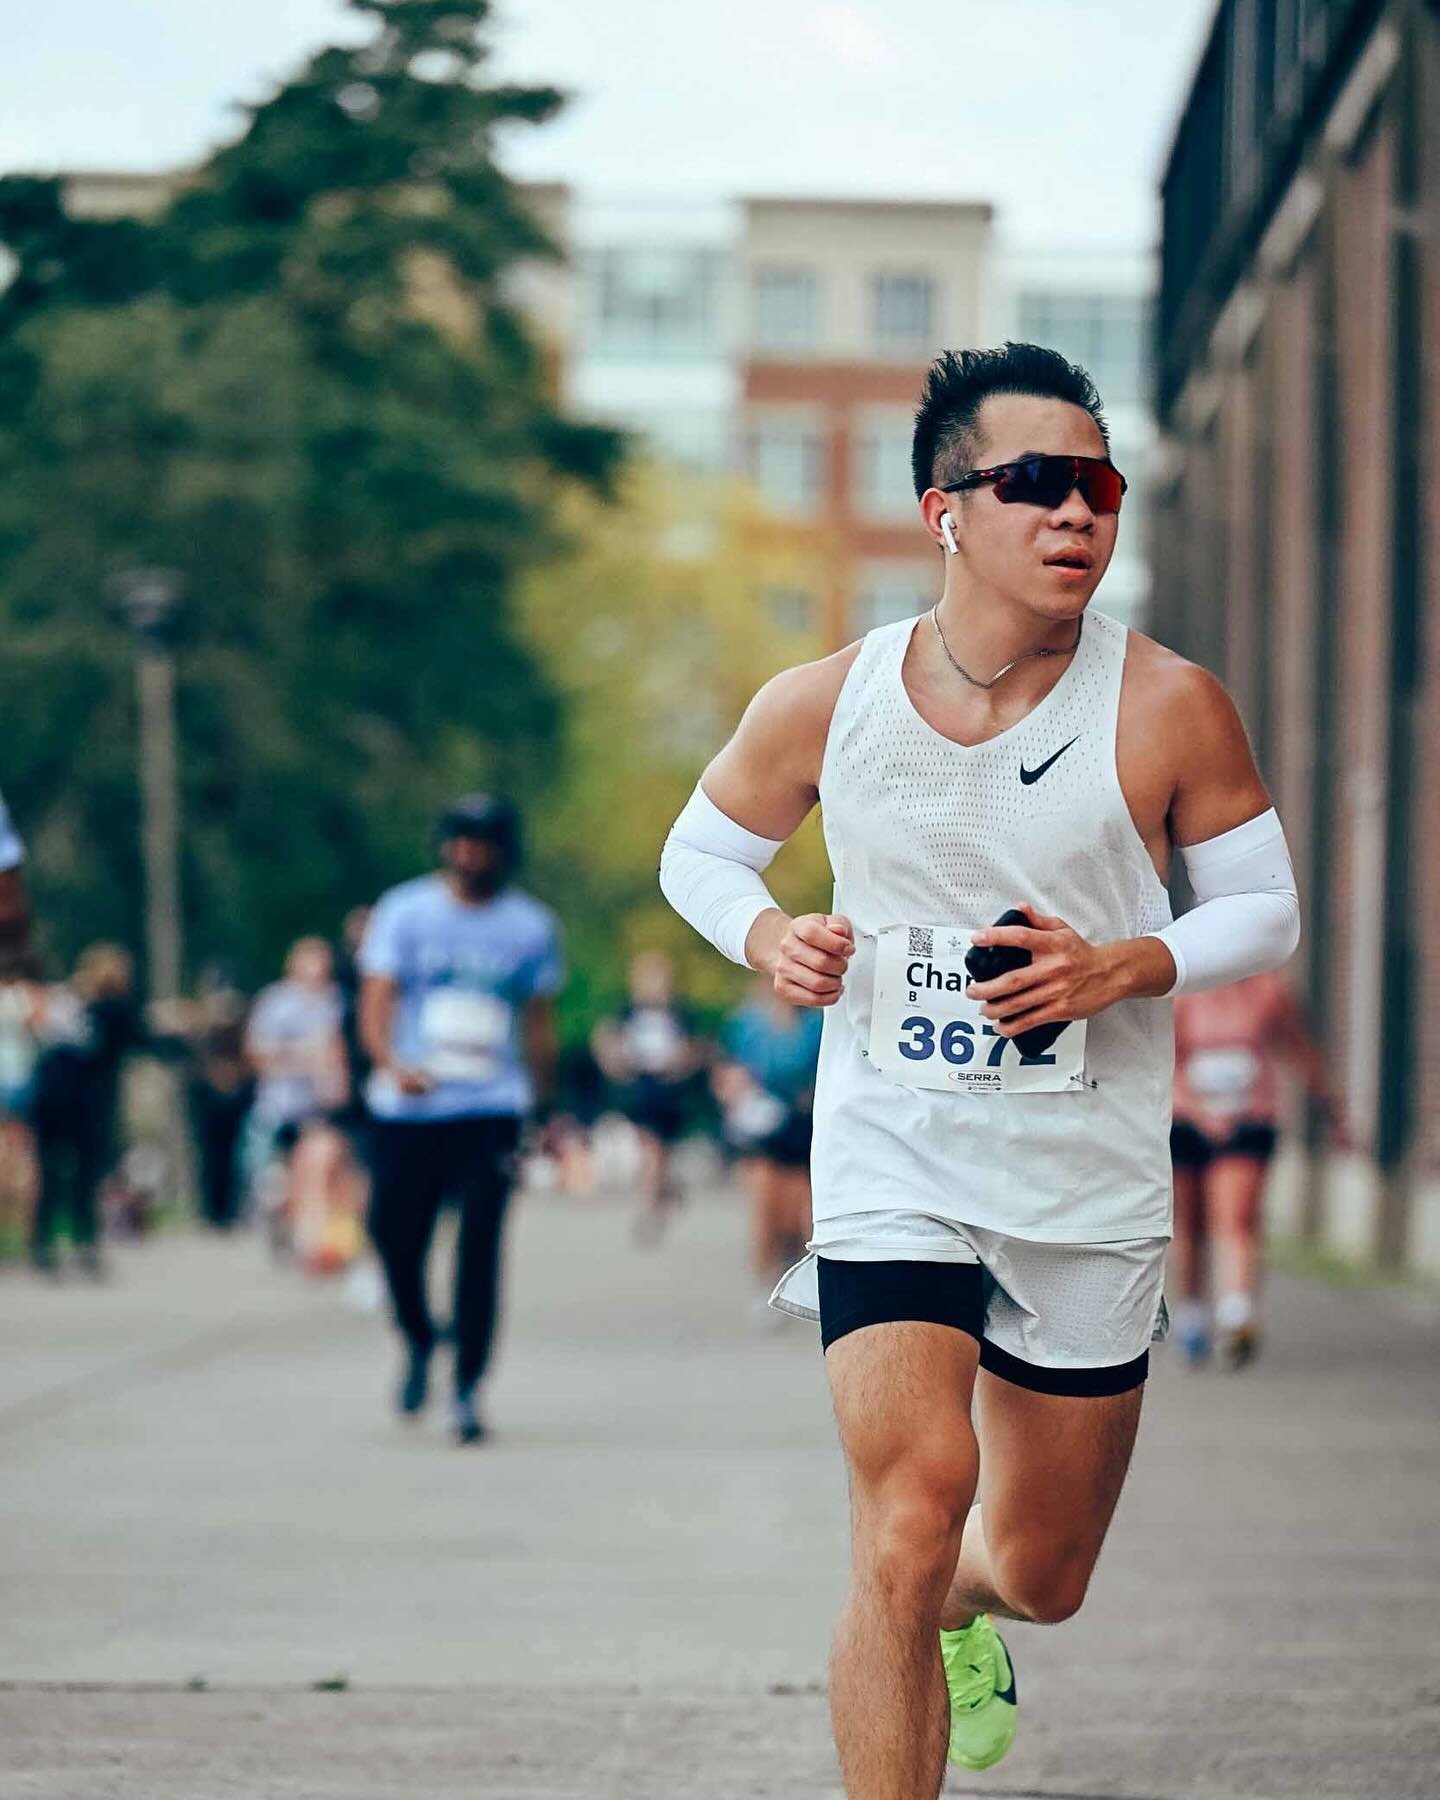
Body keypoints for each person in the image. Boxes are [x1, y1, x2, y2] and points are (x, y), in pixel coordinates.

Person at [660, 342, 1301, 1796]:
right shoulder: (829, 698)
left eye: (1100, 488)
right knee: (903, 1516)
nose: (1078, 516)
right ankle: (914, 1623)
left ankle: (966, 1610)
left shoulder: (1168, 705)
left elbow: (1268, 909)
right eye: (1037, 486)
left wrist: (1128, 964)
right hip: (897, 1156)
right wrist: (767, 935)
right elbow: (701, 852)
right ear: (946, 510)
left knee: (1036, 1565)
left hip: (1086, 1180)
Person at [359, 794, 562, 1445]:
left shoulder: (529, 926)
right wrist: (392, 1063)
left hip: (489, 1109)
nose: (471, 853)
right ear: (445, 845)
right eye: (461, 841)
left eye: (485, 842)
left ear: (504, 851)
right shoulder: (405, 911)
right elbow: (377, 1000)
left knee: (479, 1250)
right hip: (411, 1108)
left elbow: (537, 1020)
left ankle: (468, 1385)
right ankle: (419, 1336)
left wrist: (543, 1104)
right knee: (394, 1238)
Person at [1171, 971, 1346, 1368]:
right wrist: (1200, 1113)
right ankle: (1193, 1314)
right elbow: (1168, 1060)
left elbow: (1298, 1047)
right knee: (1191, 1224)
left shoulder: (1268, 992)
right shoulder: (1184, 995)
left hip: (1248, 1119)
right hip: (1188, 1120)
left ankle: (1237, 1316)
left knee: (1236, 1216)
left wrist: (1330, 1105)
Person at [713, 976, 822, 1316]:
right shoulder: (746, 1025)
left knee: (802, 1213)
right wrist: (735, 1091)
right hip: (761, 1127)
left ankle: (797, 1268)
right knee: (764, 1205)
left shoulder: (817, 1025)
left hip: (804, 1125)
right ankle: (763, 1280)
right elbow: (726, 1070)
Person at [243, 937, 349, 1242]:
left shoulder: (335, 1001)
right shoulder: (276, 1002)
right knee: (274, 1178)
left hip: (319, 1104)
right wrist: (303, 1056)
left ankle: (314, 1233)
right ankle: (280, 1214)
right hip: (279, 1103)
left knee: (320, 1167)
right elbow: (258, 1052)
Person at [591, 950, 701, 1242]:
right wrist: (615, 1062)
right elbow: (607, 1039)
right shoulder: (627, 1011)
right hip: (640, 1088)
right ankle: (654, 1198)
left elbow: (694, 1049)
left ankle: (656, 1196)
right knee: (649, 1147)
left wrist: (679, 1062)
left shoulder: (680, 1013)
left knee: (659, 1150)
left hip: (669, 1092)